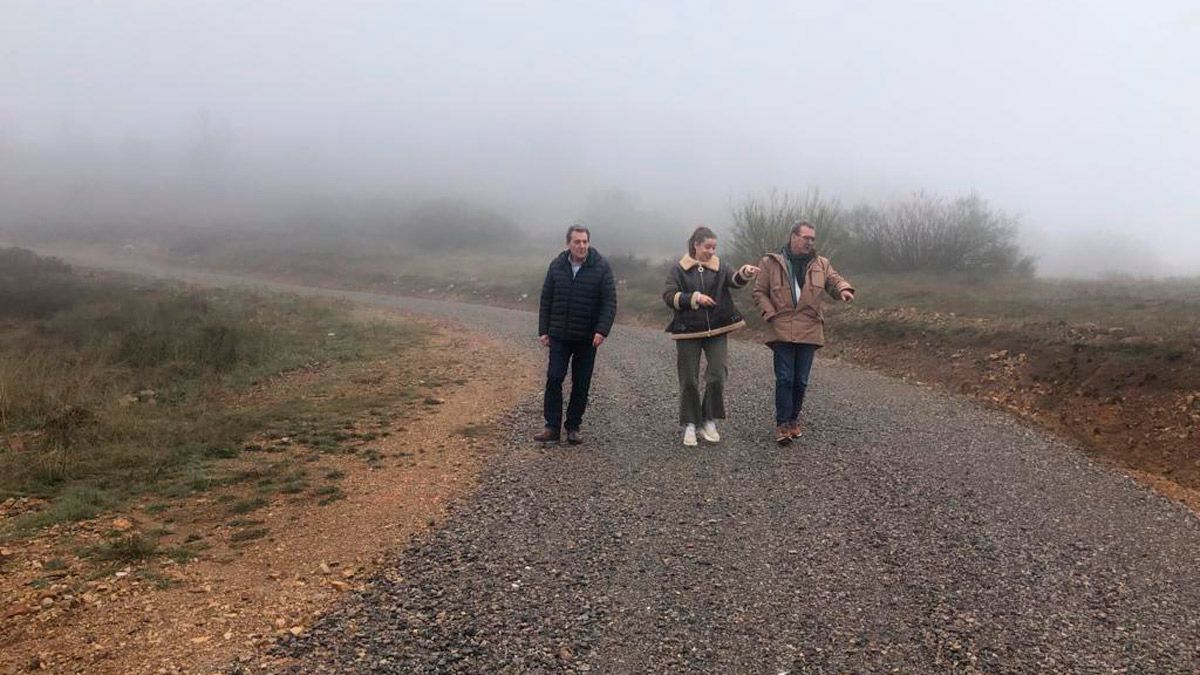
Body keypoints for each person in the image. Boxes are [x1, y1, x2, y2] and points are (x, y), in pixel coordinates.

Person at [752, 220, 855, 445]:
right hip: (781, 327)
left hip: (809, 327)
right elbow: (759, 292)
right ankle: (782, 424)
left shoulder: (822, 263)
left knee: (801, 380)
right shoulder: (770, 262)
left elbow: (834, 280)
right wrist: (770, 313)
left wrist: (844, 289)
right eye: (806, 237)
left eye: (812, 239)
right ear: (793, 237)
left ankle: (794, 419)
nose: (810, 242)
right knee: (785, 378)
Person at [663, 227, 759, 447]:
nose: (711, 251)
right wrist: (694, 298)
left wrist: (744, 272)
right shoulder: (678, 270)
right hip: (687, 330)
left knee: (717, 373)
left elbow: (734, 280)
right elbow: (668, 296)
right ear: (695, 245)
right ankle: (690, 423)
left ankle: (708, 419)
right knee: (689, 378)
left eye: (714, 247)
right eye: (708, 247)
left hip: (717, 329)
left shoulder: (720, 266)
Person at [534, 224, 617, 444]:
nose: (581, 246)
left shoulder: (601, 267)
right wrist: (543, 330)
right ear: (568, 243)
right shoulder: (557, 266)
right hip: (559, 335)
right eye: (577, 242)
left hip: (587, 338)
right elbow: (546, 299)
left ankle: (573, 427)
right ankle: (552, 427)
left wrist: (602, 330)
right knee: (554, 378)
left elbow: (609, 302)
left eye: (585, 241)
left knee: (581, 383)